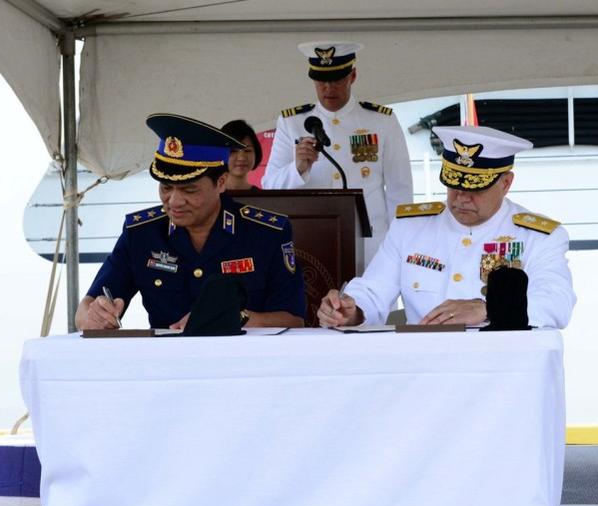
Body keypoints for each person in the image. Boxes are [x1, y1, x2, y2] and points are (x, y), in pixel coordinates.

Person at [317, 125, 576, 329]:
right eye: (453, 184)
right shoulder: (411, 228)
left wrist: (489, 308)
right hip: (425, 369)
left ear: (506, 183)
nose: (461, 197)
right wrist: (351, 310)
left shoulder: (539, 237)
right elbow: (374, 291)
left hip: (499, 372)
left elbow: (557, 303)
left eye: (476, 187)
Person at [75, 113, 305, 330]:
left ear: (221, 183)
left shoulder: (267, 233)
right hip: (167, 364)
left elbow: (293, 319)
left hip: (242, 362)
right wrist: (95, 316)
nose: (174, 201)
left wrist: (232, 318)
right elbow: (86, 310)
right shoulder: (141, 234)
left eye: (189, 190)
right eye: (166, 188)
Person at [262, 41, 413, 264]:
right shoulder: (291, 122)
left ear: (352, 76)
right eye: (321, 80)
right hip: (310, 240)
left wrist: (400, 244)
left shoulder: (381, 120)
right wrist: (298, 169)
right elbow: (270, 187)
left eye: (336, 79)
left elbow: (400, 189)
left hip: (370, 244)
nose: (328, 88)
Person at [221, 119, 263, 190]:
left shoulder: (264, 198)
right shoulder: (208, 197)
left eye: (247, 150)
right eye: (233, 151)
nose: (242, 158)